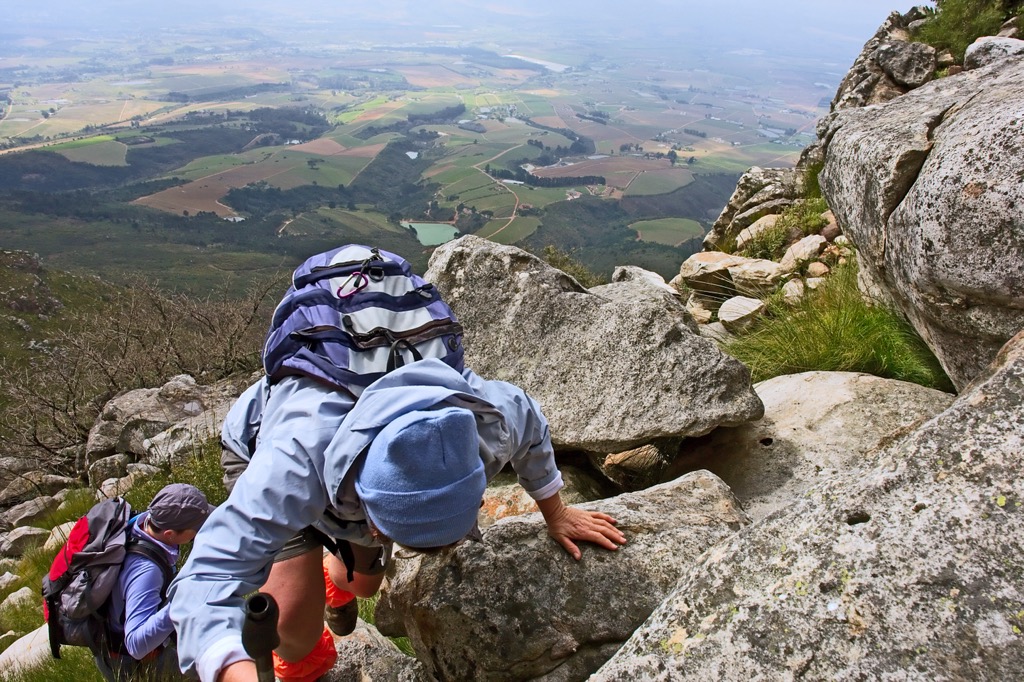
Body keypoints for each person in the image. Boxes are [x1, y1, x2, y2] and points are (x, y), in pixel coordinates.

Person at [169, 277, 627, 682]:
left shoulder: (483, 425)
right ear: (372, 516)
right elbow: (206, 578)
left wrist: (557, 512)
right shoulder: (292, 461)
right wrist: (231, 667)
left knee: (365, 586)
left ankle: (337, 581)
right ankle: (305, 658)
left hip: (350, 491)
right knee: (293, 630)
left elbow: (530, 420)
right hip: (260, 447)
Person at [101, 483, 215, 681]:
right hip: (132, 664)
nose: (200, 531)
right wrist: (182, 602)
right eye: (196, 528)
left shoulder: (143, 522)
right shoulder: (146, 571)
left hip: (120, 647)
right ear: (170, 534)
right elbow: (136, 645)